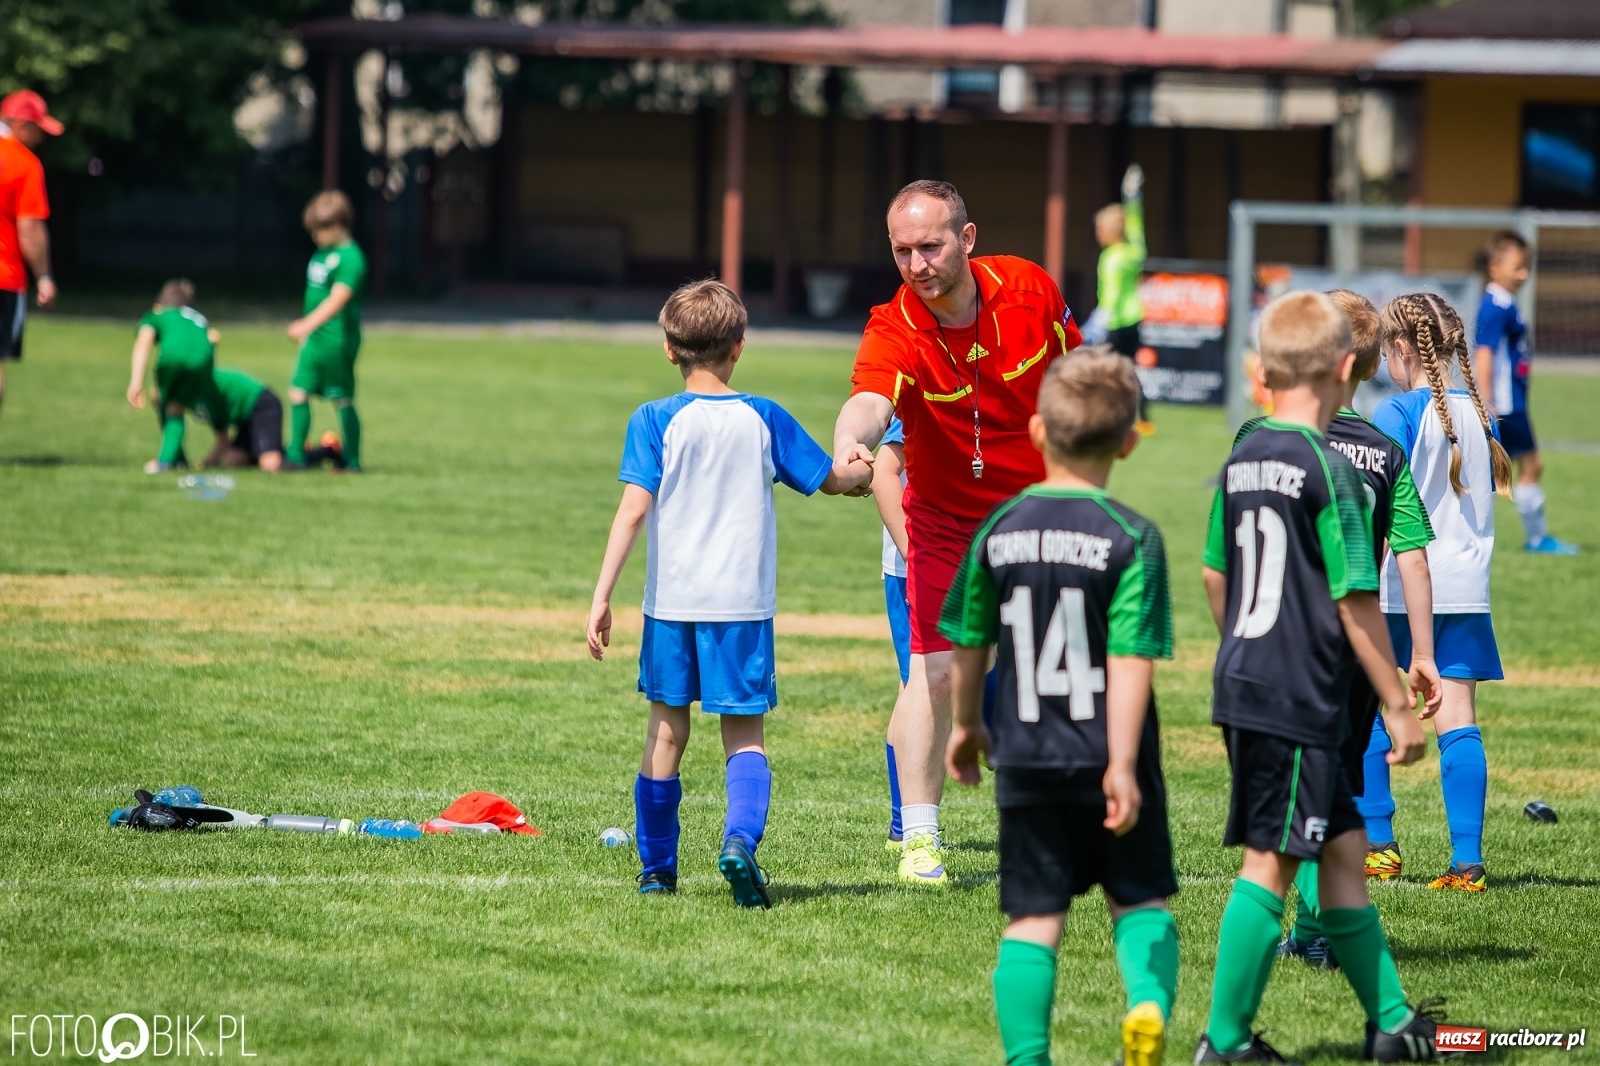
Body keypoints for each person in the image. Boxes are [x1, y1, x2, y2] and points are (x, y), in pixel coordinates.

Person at [1196, 291, 1445, 1063]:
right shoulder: (1331, 471)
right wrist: (1399, 708)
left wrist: (1243, 640)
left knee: (1342, 850)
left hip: (1246, 676)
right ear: (1348, 369)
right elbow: (1357, 602)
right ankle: (1225, 1041)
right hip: (1299, 692)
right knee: (1271, 862)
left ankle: (1394, 1026)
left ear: (1263, 372)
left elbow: (1212, 572)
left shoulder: (1244, 457)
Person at [586, 279, 871, 908]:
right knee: (745, 737)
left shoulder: (653, 420)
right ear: (739, 347)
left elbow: (632, 511)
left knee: (666, 733)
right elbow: (830, 480)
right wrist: (865, 467)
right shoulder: (764, 417)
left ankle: (657, 871)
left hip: (670, 607)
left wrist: (603, 595)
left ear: (668, 349)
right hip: (741, 609)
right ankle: (739, 843)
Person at [832, 179, 1082, 887]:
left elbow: (1078, 370)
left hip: (1037, 513)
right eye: (902, 251)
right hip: (941, 516)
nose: (917, 264)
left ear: (966, 240)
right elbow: (869, 402)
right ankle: (919, 840)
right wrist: (850, 444)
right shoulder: (894, 325)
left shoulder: (1030, 290)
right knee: (934, 673)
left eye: (931, 246)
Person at [942, 350, 1179, 1066]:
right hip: (1109, 753)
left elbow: (969, 641)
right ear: (1131, 439)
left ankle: (1028, 1058)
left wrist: (966, 725)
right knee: (1139, 901)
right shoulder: (1132, 537)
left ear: (1038, 431)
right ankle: (1144, 1006)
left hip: (1025, 751)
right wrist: (1122, 763)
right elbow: (1130, 657)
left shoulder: (999, 530)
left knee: (1033, 917)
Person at [1372, 292, 1513, 894]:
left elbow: (1382, 504)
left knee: (1364, 708)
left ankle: (1378, 847)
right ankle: (1467, 861)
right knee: (1459, 715)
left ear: (1400, 348)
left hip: (1400, 584)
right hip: (1466, 587)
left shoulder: (1395, 412)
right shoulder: (1482, 417)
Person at [1474, 231, 1577, 554]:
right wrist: (1487, 402)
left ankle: (1534, 538)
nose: (1523, 274)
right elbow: (1484, 354)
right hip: (1505, 405)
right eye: (1517, 267)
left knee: (1497, 468)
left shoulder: (1505, 303)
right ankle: (1537, 539)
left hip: (1511, 402)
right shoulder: (1495, 306)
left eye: (1526, 266)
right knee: (1527, 466)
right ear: (1494, 267)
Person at [287, 190, 367, 472]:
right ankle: (295, 455)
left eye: (319, 230)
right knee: (298, 389)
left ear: (336, 226)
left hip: (337, 339)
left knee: (340, 396)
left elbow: (338, 299)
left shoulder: (352, 258)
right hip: (314, 339)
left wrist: (306, 324)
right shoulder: (322, 253)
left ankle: (353, 461)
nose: (314, 236)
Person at [0, 90, 61, 422]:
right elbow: (30, 230)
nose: (39, 139)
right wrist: (45, 278)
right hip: (4, 276)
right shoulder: (23, 163)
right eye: (38, 130)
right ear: (22, 125)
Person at [126, 279, 221, 474]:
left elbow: (144, 342)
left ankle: (164, 463)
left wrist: (136, 382)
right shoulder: (196, 317)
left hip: (173, 356)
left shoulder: (158, 314)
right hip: (204, 360)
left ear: (158, 304)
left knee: (168, 406)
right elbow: (213, 337)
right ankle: (179, 460)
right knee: (174, 405)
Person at [872, 416, 911, 850]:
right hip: (913, 567)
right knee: (915, 684)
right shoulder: (930, 383)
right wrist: (913, 552)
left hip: (980, 559)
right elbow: (886, 469)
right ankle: (904, 826)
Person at [1095, 163, 1153, 434]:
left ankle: (1108, 415)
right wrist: (1132, 196)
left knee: (1108, 371)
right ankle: (1142, 417)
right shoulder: (1134, 253)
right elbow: (1137, 226)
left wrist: (1102, 320)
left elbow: (1111, 294)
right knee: (1130, 370)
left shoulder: (1111, 258)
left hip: (1115, 321)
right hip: (1135, 319)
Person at [203, 367, 288, 473]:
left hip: (262, 404)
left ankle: (304, 456)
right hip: (245, 420)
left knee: (270, 466)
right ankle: (265, 451)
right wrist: (205, 463)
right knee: (234, 461)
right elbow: (223, 441)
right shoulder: (197, 395)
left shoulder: (206, 383)